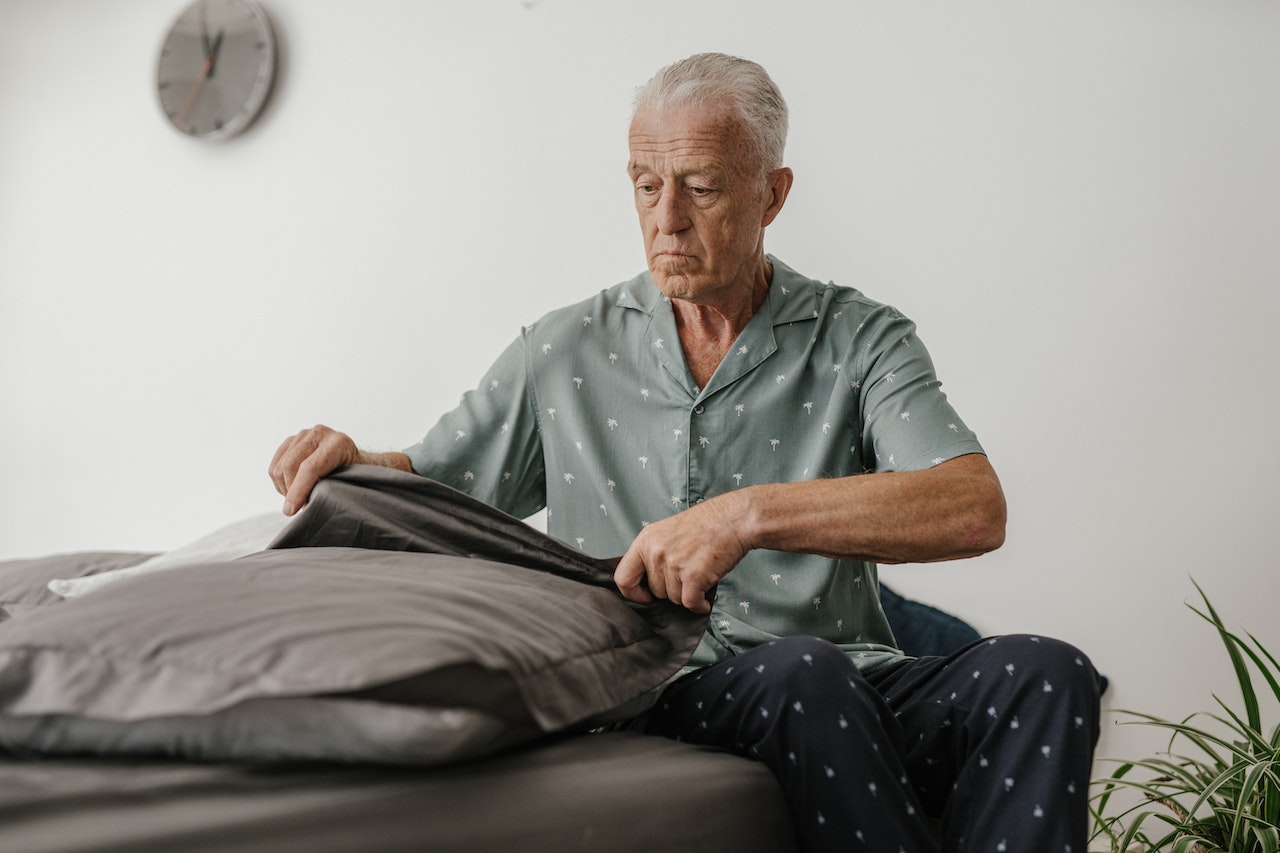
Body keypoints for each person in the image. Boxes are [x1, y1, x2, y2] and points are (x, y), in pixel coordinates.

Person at [270, 52, 1100, 853]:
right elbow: (429, 487)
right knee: (802, 674)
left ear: (772, 195)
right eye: (645, 185)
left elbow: (971, 506)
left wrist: (746, 515)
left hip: (849, 673)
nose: (666, 218)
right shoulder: (560, 351)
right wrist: (354, 455)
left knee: (1046, 672)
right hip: (661, 685)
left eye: (701, 187)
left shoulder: (861, 337)